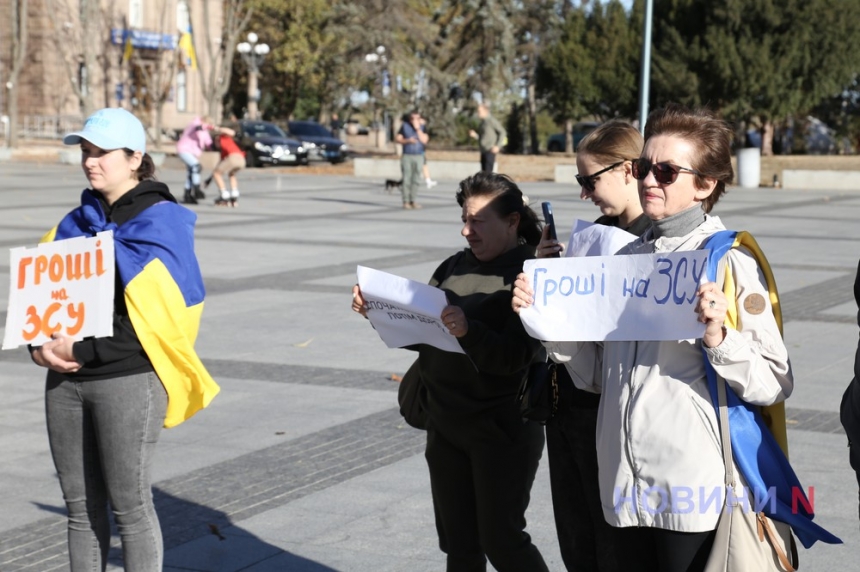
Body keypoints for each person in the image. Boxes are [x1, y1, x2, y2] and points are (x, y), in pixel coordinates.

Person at [513, 104, 794, 571]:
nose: (648, 181)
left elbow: (774, 381)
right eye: (644, 168)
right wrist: (550, 324)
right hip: (622, 485)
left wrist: (719, 337)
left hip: (689, 491)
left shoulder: (728, 261)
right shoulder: (627, 259)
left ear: (705, 185)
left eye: (665, 171)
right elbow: (598, 378)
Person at [32, 107, 220, 571]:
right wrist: (38, 343)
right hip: (64, 383)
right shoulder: (74, 223)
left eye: (102, 152)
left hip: (128, 380)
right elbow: (41, 294)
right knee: (79, 511)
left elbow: (162, 320)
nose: (90, 161)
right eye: (85, 151)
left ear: (135, 157)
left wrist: (80, 349)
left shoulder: (163, 223)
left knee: (130, 508)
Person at [351, 172, 550, 571]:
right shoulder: (452, 266)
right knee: (458, 544)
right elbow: (422, 334)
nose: (466, 231)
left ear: (512, 222)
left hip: (501, 431)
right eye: (464, 218)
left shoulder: (532, 273)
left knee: (503, 541)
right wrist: (377, 313)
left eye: (478, 221)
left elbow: (515, 356)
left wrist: (468, 330)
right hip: (445, 426)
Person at [536, 120, 652, 572]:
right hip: (568, 406)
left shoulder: (656, 241)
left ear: (628, 170)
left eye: (591, 180)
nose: (584, 193)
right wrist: (552, 274)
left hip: (613, 411)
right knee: (576, 541)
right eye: (579, 182)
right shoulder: (596, 234)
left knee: (614, 546)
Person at [395, 110, 429, 209]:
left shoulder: (422, 128)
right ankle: (405, 201)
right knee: (406, 179)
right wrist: (407, 141)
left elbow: (425, 140)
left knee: (416, 179)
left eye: (417, 118)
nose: (415, 120)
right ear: (410, 119)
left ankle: (413, 200)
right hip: (407, 156)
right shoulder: (405, 126)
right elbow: (398, 139)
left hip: (419, 156)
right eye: (412, 118)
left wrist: (418, 129)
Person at [176, 116, 214, 204]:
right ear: (204, 121)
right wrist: (211, 127)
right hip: (183, 149)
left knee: (191, 172)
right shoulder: (194, 124)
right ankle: (196, 189)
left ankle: (187, 195)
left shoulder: (204, 132)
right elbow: (198, 127)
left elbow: (208, 141)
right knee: (196, 166)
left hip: (192, 152)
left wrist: (214, 147)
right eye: (208, 123)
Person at [208, 125, 245, 207]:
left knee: (217, 174)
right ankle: (234, 194)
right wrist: (208, 180)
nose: (215, 144)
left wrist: (216, 128)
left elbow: (232, 132)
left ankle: (224, 194)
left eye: (215, 141)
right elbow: (218, 166)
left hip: (233, 157)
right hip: (241, 159)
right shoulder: (225, 150)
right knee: (231, 174)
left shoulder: (223, 137)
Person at [469, 103, 506, 173]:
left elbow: (502, 132)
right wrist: (475, 135)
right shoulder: (482, 123)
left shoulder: (491, 121)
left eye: (479, 111)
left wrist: (497, 146)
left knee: (488, 175)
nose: (478, 113)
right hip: (483, 150)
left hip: (490, 151)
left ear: (486, 111)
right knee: (483, 174)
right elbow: (483, 138)